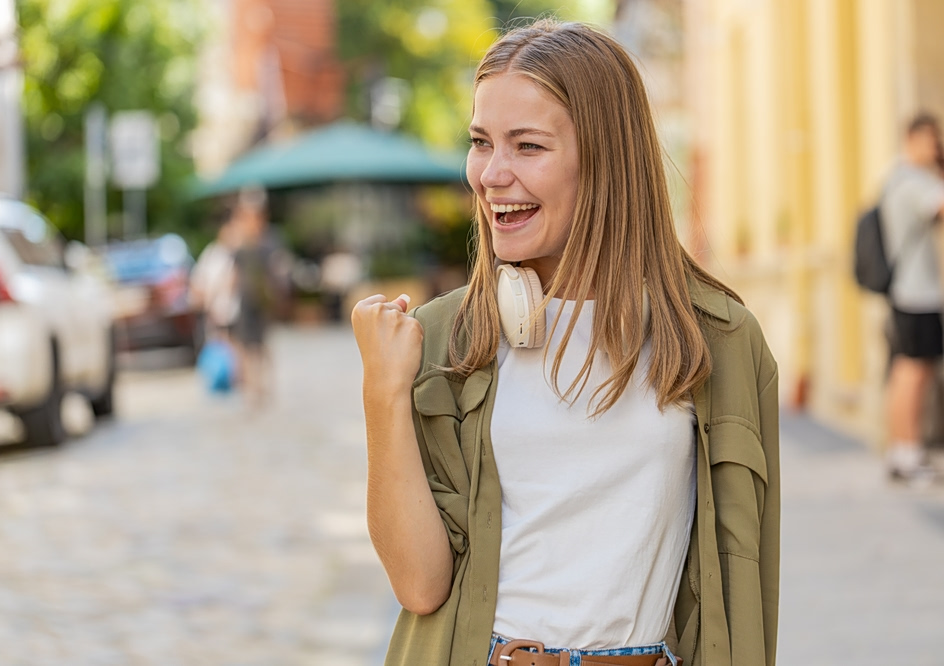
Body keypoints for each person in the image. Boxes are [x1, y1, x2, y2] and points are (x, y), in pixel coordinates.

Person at [351, 20, 779, 666]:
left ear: (605, 158)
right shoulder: (443, 339)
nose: (492, 174)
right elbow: (419, 583)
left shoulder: (716, 340)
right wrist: (383, 392)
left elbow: (746, 596)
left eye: (527, 146)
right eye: (480, 143)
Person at [881, 113, 944, 483]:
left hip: (909, 292)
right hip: (915, 293)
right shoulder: (912, 182)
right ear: (911, 140)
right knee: (913, 372)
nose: (934, 148)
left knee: (909, 370)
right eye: (930, 141)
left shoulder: (898, 179)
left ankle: (903, 452)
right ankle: (907, 453)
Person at [230, 187, 277, 408]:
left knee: (261, 345)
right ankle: (252, 387)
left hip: (259, 301)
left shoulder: (266, 245)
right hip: (246, 301)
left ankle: (263, 386)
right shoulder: (240, 247)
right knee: (247, 346)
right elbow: (234, 275)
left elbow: (272, 273)